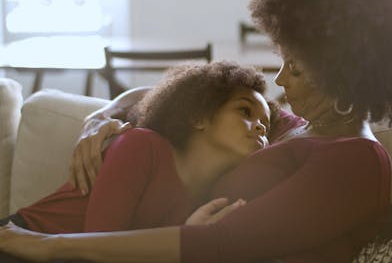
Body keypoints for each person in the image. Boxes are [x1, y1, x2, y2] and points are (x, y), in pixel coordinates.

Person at [0, 0, 392, 262]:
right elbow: (186, 98)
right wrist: (101, 116)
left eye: (295, 69)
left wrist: (49, 246)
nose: (279, 80)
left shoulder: (354, 162)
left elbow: (225, 243)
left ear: (344, 79)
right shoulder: (290, 125)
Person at [0, 61, 272, 234]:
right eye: (245, 111)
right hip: (19, 242)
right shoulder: (141, 146)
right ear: (199, 117)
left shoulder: (213, 197)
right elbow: (98, 247)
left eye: (266, 125)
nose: (260, 128)